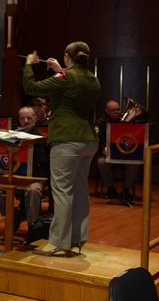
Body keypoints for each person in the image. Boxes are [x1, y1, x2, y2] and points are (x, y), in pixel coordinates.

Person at [22, 42, 100, 256]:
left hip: (67, 139)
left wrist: (29, 64)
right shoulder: (93, 79)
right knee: (81, 191)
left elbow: (32, 88)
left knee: (62, 192)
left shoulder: (64, 77)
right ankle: (78, 237)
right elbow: (72, 88)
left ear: (67, 55)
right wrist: (60, 70)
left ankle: (58, 241)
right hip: (88, 140)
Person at [0, 106, 48, 233]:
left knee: (34, 191)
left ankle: (32, 226)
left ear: (35, 119)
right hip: (13, 176)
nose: (25, 121)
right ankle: (13, 215)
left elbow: (44, 165)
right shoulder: (13, 136)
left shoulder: (42, 138)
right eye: (22, 118)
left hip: (33, 177)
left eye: (29, 118)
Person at [95, 99, 141, 201]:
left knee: (134, 163)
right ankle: (111, 188)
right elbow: (98, 141)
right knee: (101, 162)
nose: (116, 112)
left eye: (118, 109)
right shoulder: (101, 123)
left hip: (125, 154)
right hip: (109, 155)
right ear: (106, 111)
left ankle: (126, 190)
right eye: (113, 110)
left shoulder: (126, 122)